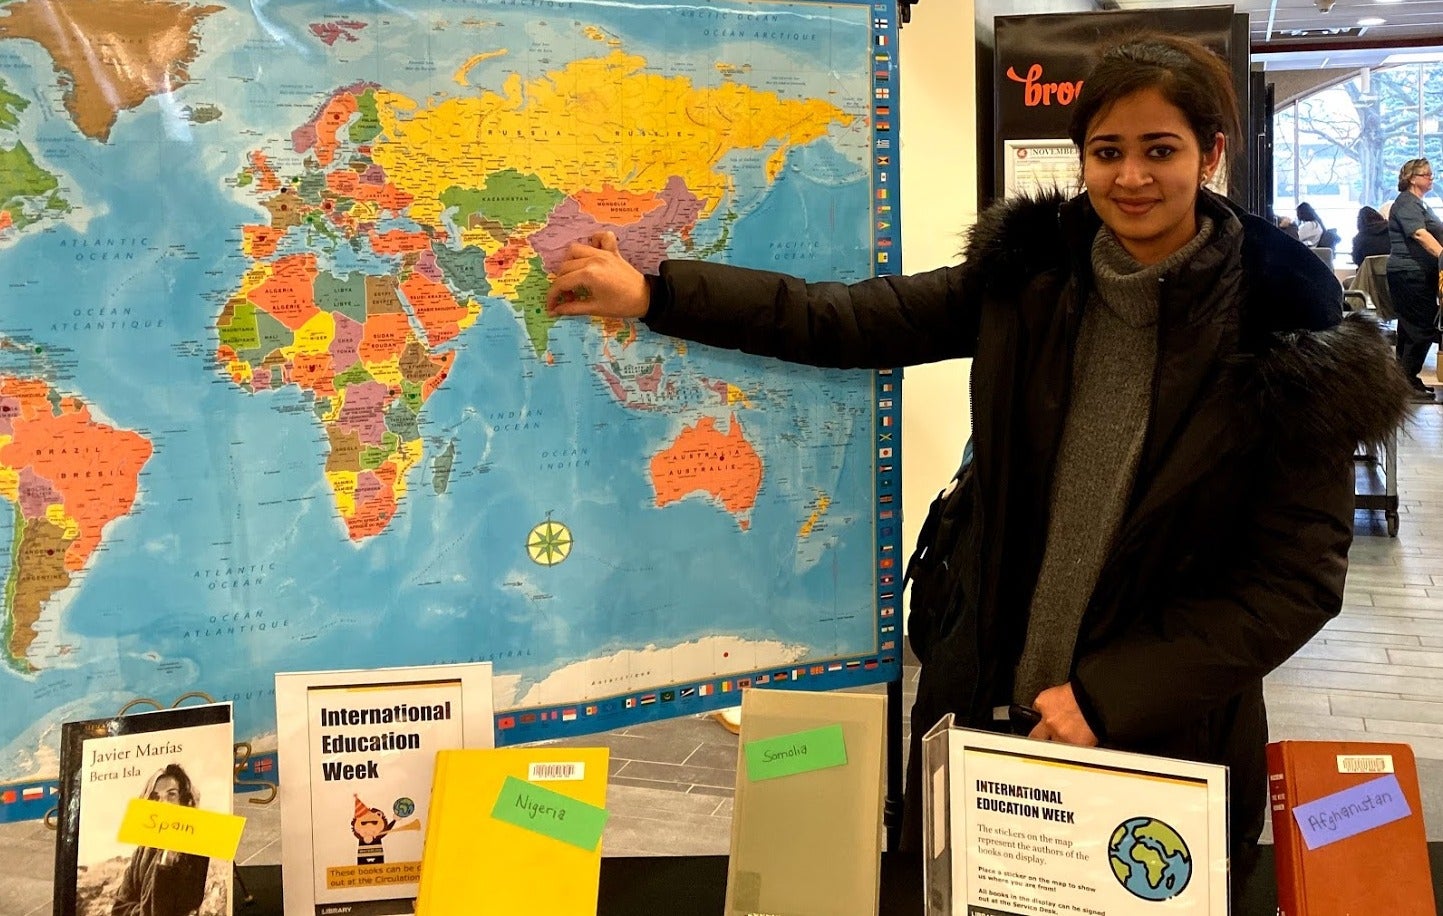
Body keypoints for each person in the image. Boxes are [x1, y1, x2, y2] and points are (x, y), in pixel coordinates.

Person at [545, 32, 1411, 884]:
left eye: (1160, 150)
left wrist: (1115, 696)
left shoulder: (1287, 329)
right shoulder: (1028, 276)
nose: (1132, 177)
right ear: (1080, 159)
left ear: (1210, 153)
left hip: (1157, 732)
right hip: (985, 699)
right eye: (1107, 151)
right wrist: (656, 295)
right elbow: (847, 318)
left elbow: (1295, 578)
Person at [112, 764, 210, 916]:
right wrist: (144, 911)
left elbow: (173, 911)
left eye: (171, 794)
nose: (163, 803)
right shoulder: (141, 852)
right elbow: (118, 909)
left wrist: (166, 864)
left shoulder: (196, 850)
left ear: (183, 800)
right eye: (155, 797)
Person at [1386, 158, 1443, 400]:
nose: (1431, 178)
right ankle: (1407, 381)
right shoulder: (1407, 203)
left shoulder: (1419, 204)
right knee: (1422, 328)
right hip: (1410, 274)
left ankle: (1403, 381)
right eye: (1427, 174)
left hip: (1419, 273)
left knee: (1410, 329)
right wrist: (1442, 254)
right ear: (1412, 178)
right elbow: (1419, 234)